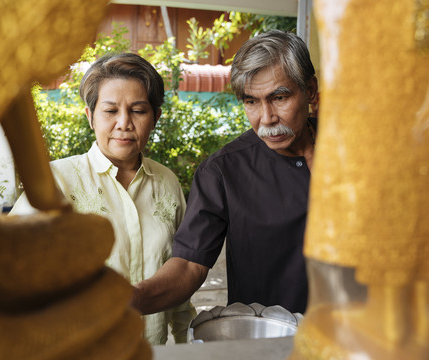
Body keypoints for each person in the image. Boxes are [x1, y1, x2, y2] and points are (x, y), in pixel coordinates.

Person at [10, 53, 196, 345]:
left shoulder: (167, 183)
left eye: (138, 110)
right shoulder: (55, 182)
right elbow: (12, 270)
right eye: (110, 111)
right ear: (90, 116)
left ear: (155, 117)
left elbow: (179, 280)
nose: (124, 123)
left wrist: (188, 342)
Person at [131, 30, 319, 316]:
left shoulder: (357, 150)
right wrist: (125, 301)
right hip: (270, 342)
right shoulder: (222, 172)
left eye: (279, 97)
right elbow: (188, 265)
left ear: (311, 92)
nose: (266, 118)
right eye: (251, 101)